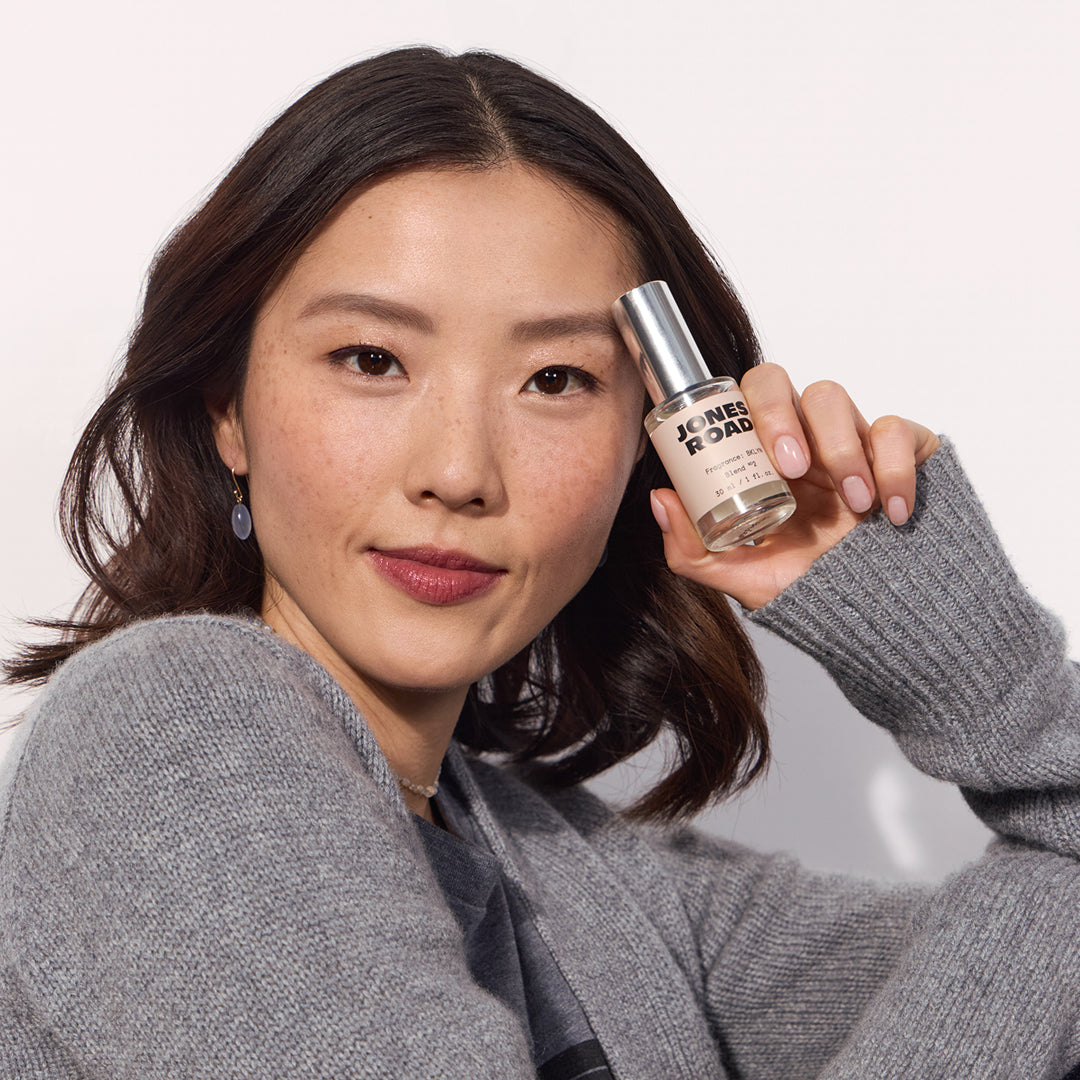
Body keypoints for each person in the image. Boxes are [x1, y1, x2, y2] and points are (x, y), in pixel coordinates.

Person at [1, 45, 1078, 1080]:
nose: (459, 472)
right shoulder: (169, 727)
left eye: (556, 380)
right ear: (227, 412)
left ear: (652, 441)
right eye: (371, 359)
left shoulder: (602, 890)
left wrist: (984, 672)